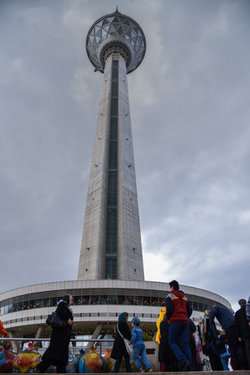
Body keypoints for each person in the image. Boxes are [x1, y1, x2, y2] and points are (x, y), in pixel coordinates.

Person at [37, 295, 73, 373]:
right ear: (67, 299)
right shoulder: (62, 304)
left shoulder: (66, 306)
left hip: (62, 337)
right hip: (60, 336)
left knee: (59, 354)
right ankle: (41, 368)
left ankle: (60, 370)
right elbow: (60, 312)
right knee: (54, 353)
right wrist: (68, 319)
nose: (72, 302)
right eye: (71, 300)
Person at [165, 280, 193, 371]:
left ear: (172, 287)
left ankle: (183, 361)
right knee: (185, 343)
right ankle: (190, 366)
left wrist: (169, 319)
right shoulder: (185, 297)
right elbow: (190, 310)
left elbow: (168, 310)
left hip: (174, 321)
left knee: (172, 342)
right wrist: (185, 317)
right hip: (185, 322)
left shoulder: (170, 296)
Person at [209, 304, 240, 370]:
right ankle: (240, 365)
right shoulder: (225, 310)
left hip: (229, 327)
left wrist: (210, 320)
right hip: (235, 325)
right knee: (236, 346)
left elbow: (212, 315)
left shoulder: (216, 308)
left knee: (232, 348)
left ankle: (236, 367)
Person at [235, 299, 250, 369]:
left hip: (244, 334)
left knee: (247, 350)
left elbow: (237, 325)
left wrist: (238, 336)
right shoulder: (247, 311)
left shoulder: (238, 313)